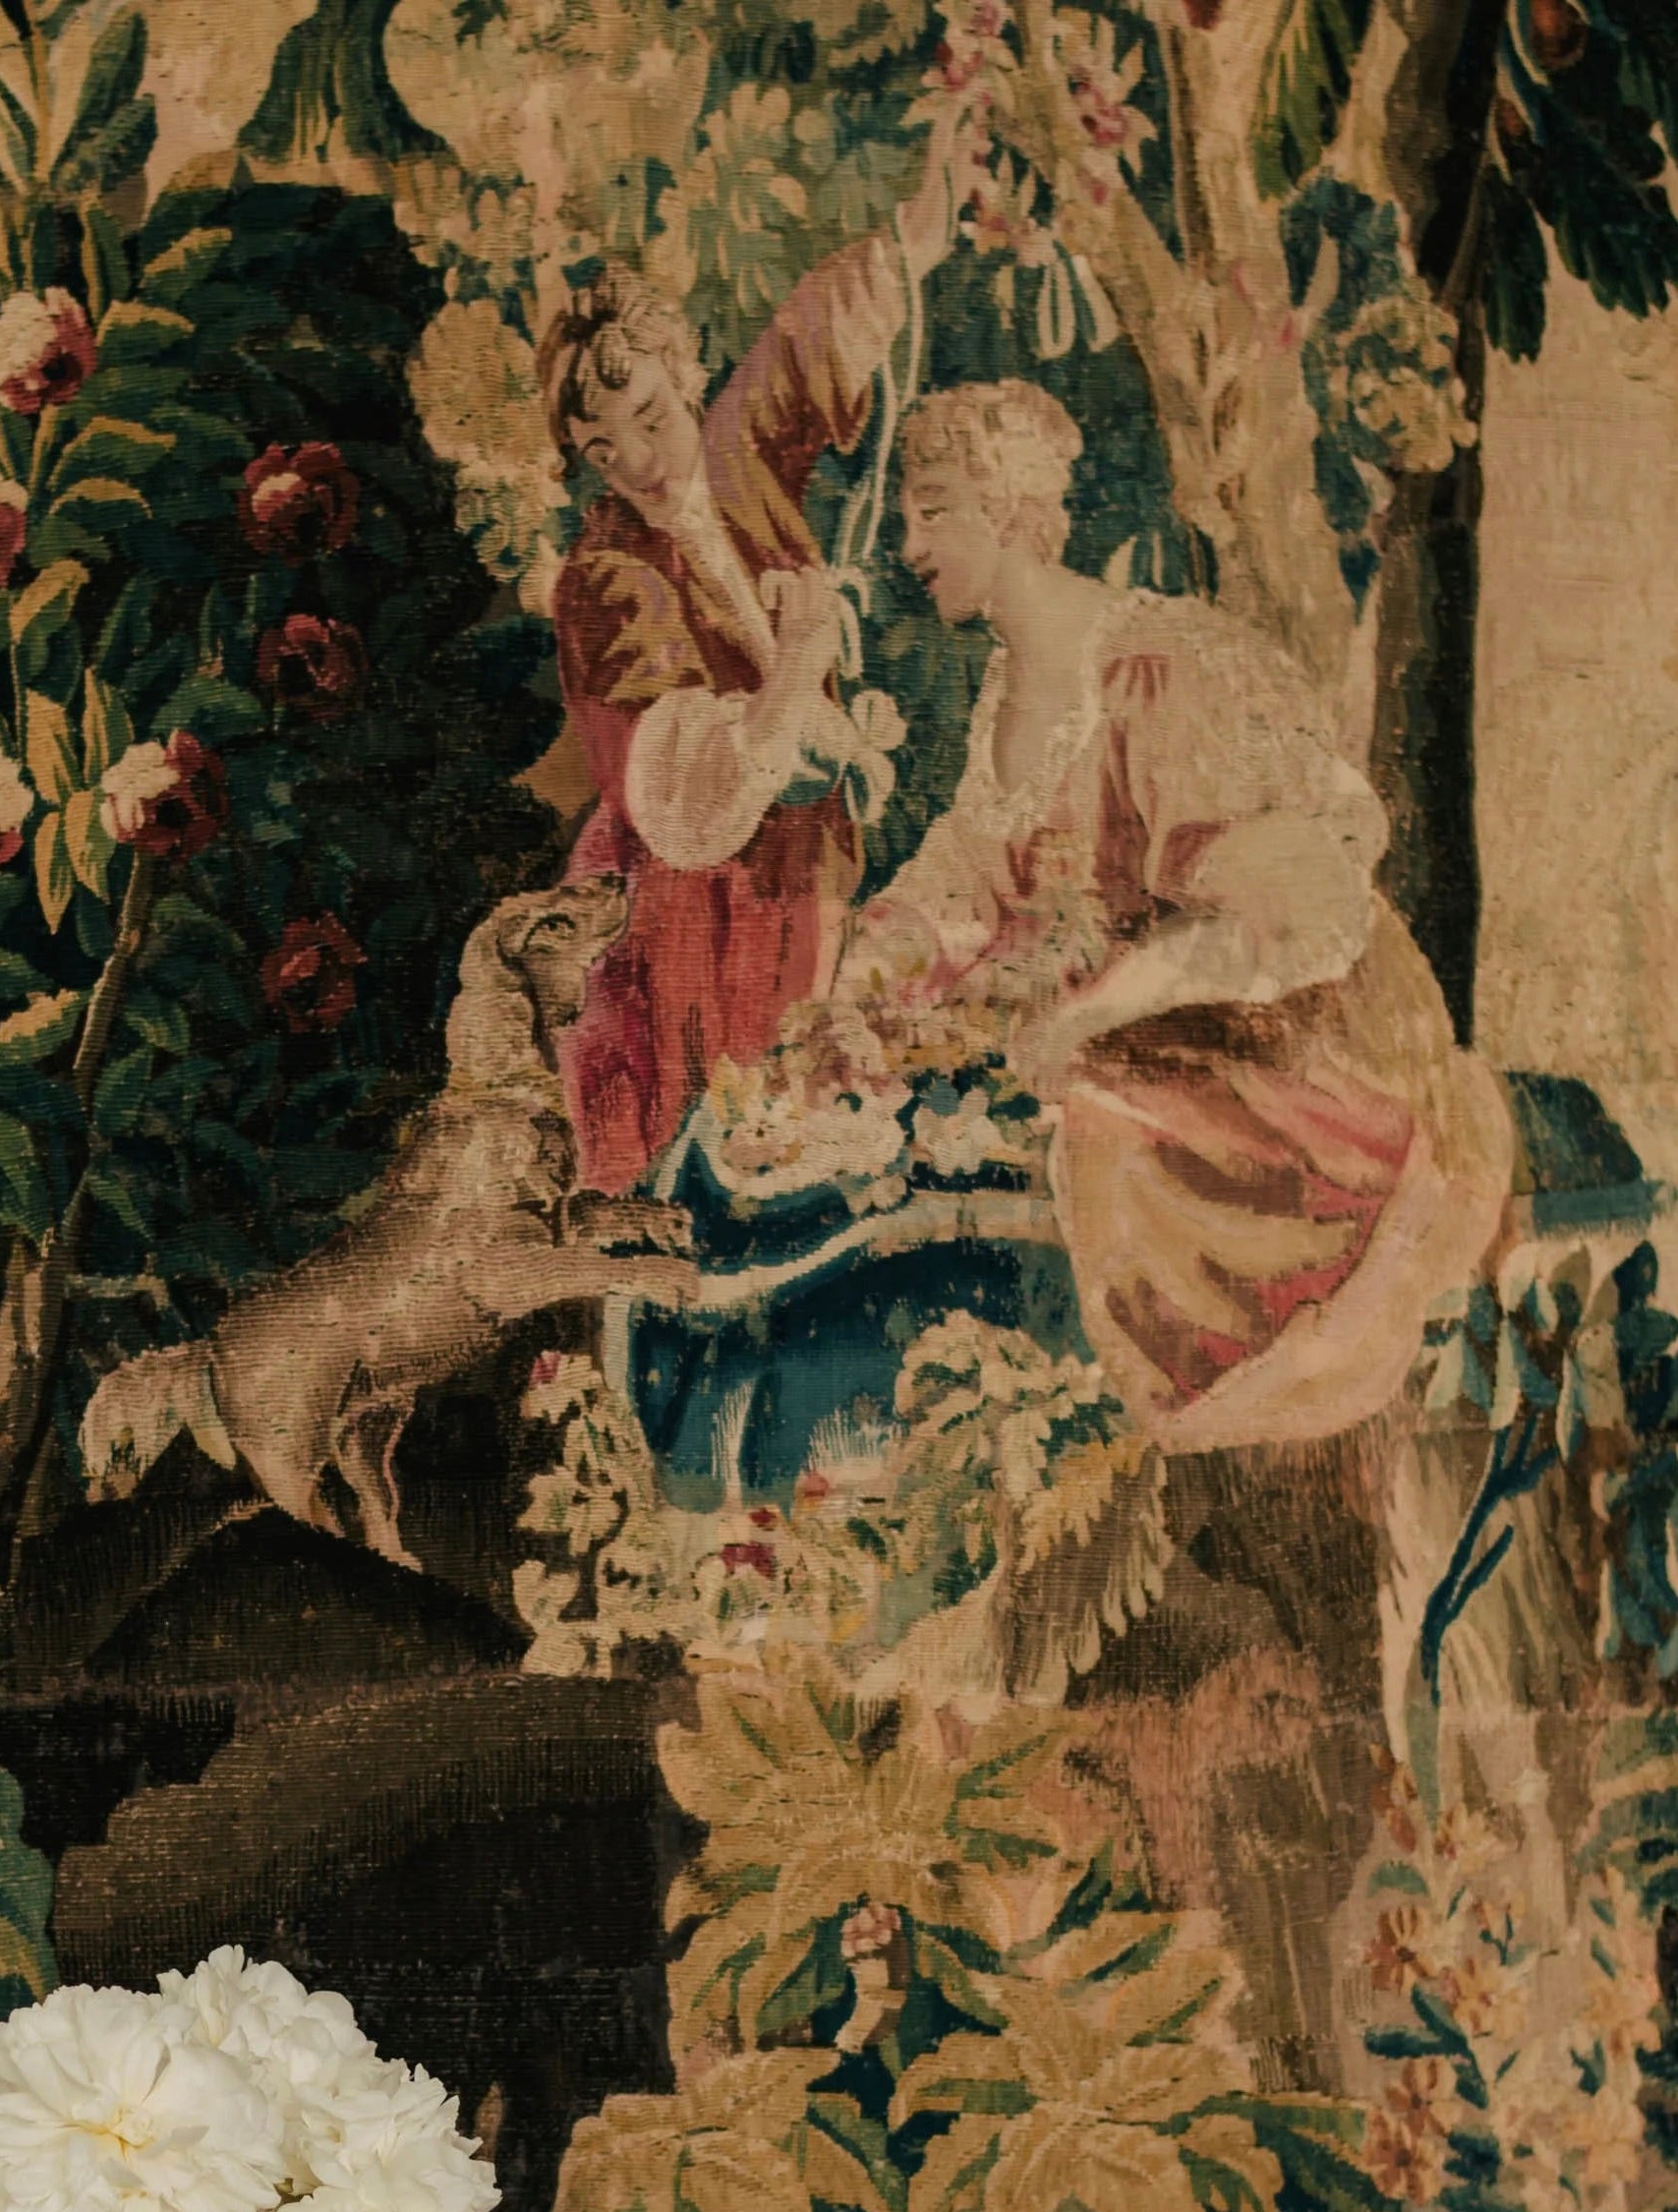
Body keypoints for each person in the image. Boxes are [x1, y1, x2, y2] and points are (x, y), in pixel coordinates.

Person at [838, 378, 1510, 1449]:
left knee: (1106, 1138)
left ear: (1005, 509)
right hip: (1133, 1031)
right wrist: (866, 980)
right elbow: (965, 875)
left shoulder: (1157, 670)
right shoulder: (1007, 690)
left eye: (932, 510)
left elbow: (1275, 923)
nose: (907, 545)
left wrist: (1082, 1015)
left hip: (1275, 1034)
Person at [539, 120, 965, 1195]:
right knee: (719, 1135)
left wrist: (916, 231)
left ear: (685, 377)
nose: (639, 460)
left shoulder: (732, 460)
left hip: (801, 864)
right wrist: (798, 662)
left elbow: (806, 345)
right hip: (690, 900)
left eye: (650, 417)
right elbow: (681, 799)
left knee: (816, 1109)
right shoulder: (603, 577)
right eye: (602, 449)